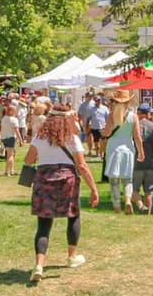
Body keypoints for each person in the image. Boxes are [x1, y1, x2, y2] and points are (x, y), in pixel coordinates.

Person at [24, 103, 99, 283]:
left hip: (43, 181)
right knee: (73, 216)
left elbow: (28, 160)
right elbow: (81, 165)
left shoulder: (39, 138)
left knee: (43, 224)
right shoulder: (72, 138)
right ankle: (71, 256)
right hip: (67, 181)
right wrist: (94, 189)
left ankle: (39, 265)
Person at [104, 88, 144, 213]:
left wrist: (102, 132)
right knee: (128, 179)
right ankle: (127, 200)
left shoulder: (112, 116)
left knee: (114, 180)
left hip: (114, 149)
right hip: (128, 149)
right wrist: (141, 152)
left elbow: (107, 132)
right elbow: (137, 136)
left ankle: (117, 206)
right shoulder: (133, 116)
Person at [133, 103, 153, 213]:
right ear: (146, 114)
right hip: (151, 164)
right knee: (149, 191)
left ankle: (141, 206)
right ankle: (148, 213)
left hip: (135, 163)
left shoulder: (132, 125)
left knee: (134, 189)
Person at [0, 103, 20, 177]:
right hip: (11, 137)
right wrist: (21, 140)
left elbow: (1, 128)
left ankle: (12, 170)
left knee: (10, 154)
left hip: (4, 137)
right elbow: (17, 130)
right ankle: (7, 171)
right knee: (10, 156)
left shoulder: (4, 118)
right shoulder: (14, 119)